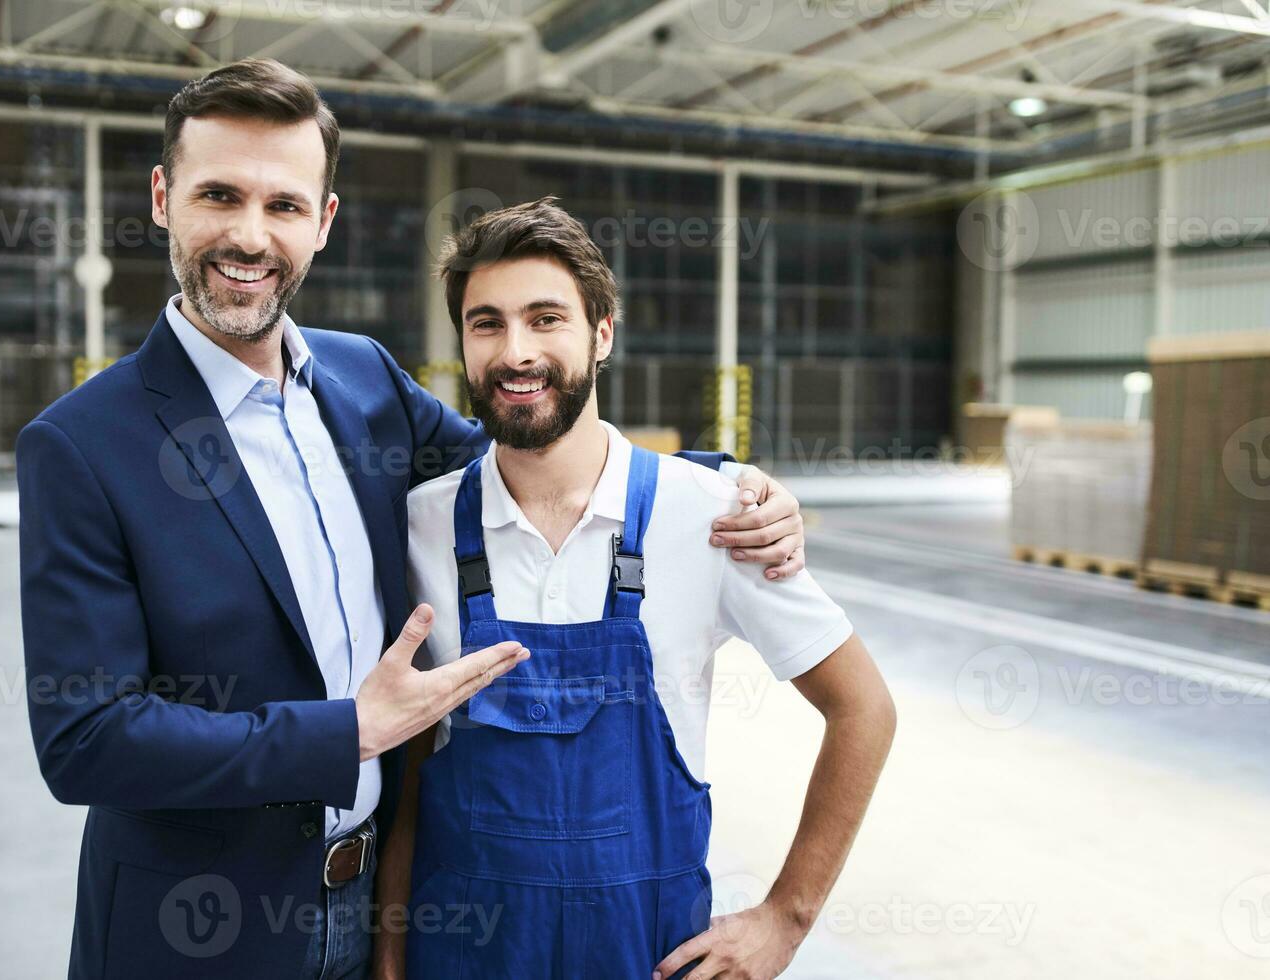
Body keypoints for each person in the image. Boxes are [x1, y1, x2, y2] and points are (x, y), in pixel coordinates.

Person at [16, 60, 815, 979]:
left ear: (322, 221)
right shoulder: (84, 445)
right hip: (203, 931)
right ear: (163, 199)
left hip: (376, 914)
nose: (248, 236)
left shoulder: (363, 385)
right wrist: (344, 732)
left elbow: (522, 450)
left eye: (282, 205)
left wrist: (715, 485)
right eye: (218, 196)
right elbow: (86, 742)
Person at [374, 198, 896, 979]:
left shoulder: (712, 518)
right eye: (487, 323)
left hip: (646, 953)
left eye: (546, 319)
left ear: (602, 332)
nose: (516, 352)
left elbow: (863, 707)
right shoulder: (421, 525)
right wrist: (389, 953)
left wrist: (785, 919)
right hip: (461, 953)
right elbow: (414, 767)